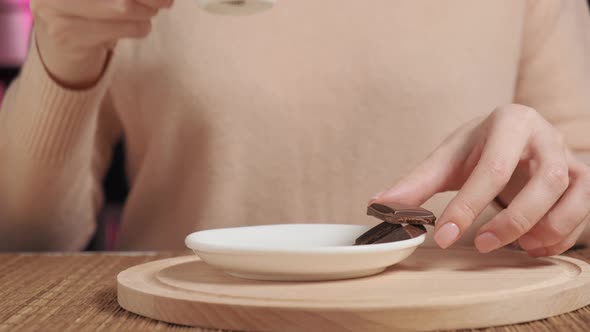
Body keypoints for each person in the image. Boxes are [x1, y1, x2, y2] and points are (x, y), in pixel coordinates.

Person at [1, 0, 589, 255]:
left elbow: (580, 189)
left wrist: (540, 188)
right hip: (183, 317)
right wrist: (61, 56)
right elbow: (23, 243)